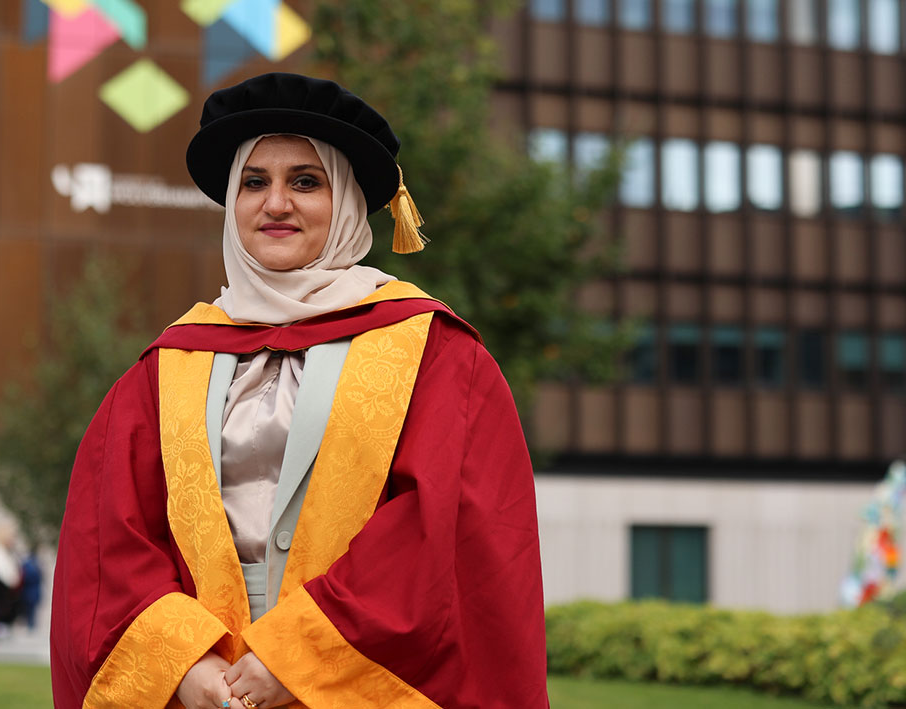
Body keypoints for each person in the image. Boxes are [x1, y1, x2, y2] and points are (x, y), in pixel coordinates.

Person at [50, 72, 547, 709]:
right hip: (206, 684)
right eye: (254, 182)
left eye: (305, 182)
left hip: (356, 673)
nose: (275, 204)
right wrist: (185, 664)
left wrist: (298, 657)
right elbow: (109, 536)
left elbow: (443, 530)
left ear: (344, 203)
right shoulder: (170, 362)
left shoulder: (432, 352)